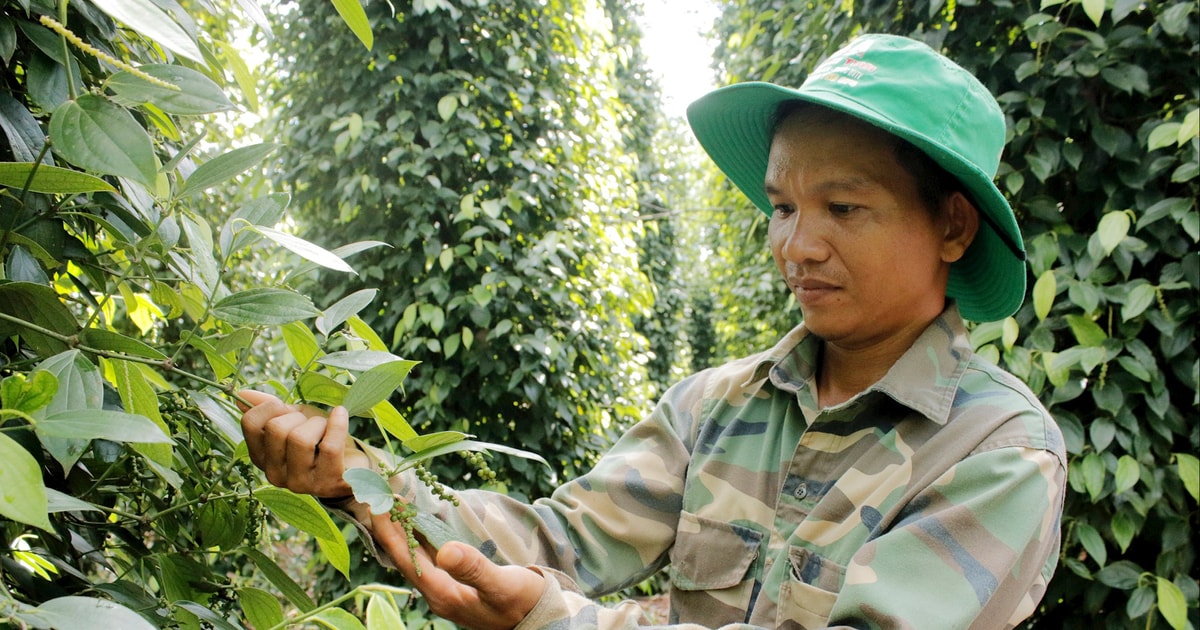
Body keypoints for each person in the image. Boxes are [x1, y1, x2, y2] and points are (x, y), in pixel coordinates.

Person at [240, 33, 1067, 629]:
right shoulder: (718, 406)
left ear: (952, 226)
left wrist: (563, 624)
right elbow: (559, 539)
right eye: (782, 207)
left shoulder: (997, 451)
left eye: (844, 208)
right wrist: (361, 479)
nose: (796, 245)